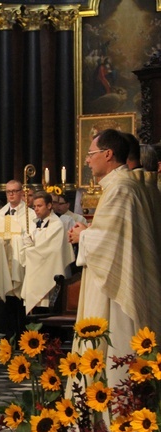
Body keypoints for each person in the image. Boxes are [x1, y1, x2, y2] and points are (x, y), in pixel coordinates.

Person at [68, 129, 161, 388]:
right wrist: (87, 234)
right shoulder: (120, 185)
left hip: (115, 283)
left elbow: (112, 243)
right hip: (110, 274)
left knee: (114, 343)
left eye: (91, 154)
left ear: (108, 154)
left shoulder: (120, 188)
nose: (87, 161)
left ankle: (115, 404)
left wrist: (82, 236)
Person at [0, 180, 35, 339]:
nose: (12, 194)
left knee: (21, 305)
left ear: (22, 192)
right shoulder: (0, 215)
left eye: (15, 191)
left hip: (21, 265)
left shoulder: (30, 214)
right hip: (5, 263)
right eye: (8, 191)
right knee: (7, 303)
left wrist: (20, 240)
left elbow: (32, 238)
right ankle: (9, 338)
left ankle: (23, 339)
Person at [19, 191, 75, 315]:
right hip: (34, 274)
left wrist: (29, 246)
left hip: (50, 276)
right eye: (34, 207)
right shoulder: (33, 224)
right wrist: (27, 244)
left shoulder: (57, 225)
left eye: (39, 206)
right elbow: (29, 247)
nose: (36, 209)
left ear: (49, 206)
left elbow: (47, 251)